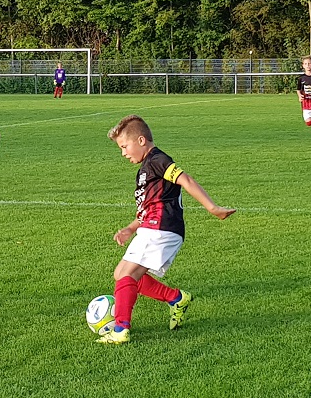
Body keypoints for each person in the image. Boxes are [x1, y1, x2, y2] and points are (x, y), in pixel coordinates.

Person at [96, 115, 236, 344]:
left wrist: (213, 208)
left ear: (141, 140)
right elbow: (148, 208)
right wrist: (130, 229)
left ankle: (120, 330)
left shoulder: (158, 160)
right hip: (151, 227)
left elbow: (186, 180)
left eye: (124, 146)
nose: (123, 153)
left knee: (127, 275)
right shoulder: (145, 168)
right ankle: (176, 298)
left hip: (161, 228)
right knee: (121, 274)